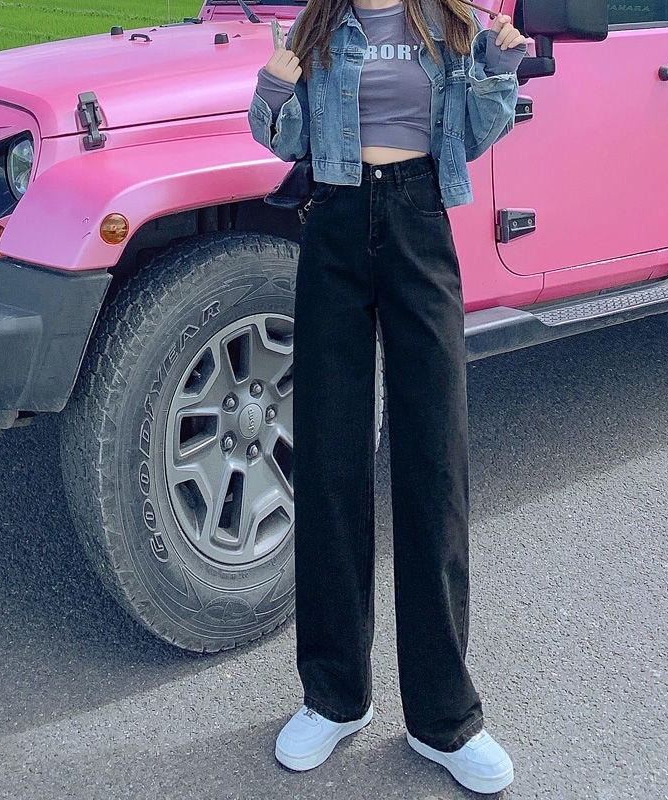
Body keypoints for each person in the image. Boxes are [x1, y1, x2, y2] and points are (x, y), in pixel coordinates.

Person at [248, 0, 526, 792]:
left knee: (435, 464)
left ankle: (444, 719)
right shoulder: (317, 27)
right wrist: (273, 87)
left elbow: (473, 134)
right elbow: (283, 139)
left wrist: (500, 71)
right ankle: (335, 698)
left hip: (418, 222)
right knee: (329, 461)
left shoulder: (449, 25)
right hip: (334, 228)